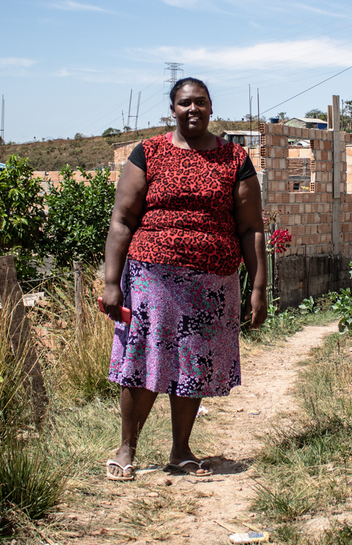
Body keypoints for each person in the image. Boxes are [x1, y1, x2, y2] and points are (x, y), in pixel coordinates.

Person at [100, 77, 267, 481]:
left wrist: (258, 288)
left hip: (211, 282)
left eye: (201, 102)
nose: (193, 109)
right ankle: (127, 448)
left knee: (192, 364)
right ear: (172, 109)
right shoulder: (150, 152)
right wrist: (110, 281)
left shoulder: (234, 158)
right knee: (142, 361)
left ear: (211, 107)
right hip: (150, 276)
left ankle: (181, 450)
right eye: (184, 103)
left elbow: (251, 228)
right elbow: (122, 220)